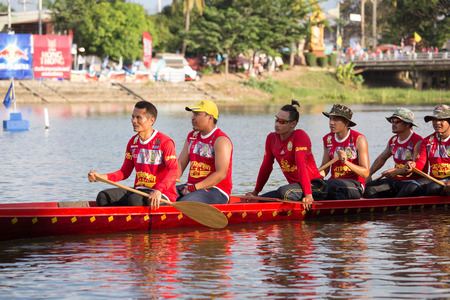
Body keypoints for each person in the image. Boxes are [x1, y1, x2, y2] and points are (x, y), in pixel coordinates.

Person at [88, 101, 178, 209]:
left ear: (151, 120)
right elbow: (124, 172)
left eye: (138, 117)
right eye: (133, 117)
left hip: (162, 194)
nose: (133, 121)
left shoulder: (165, 142)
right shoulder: (133, 143)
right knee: (103, 197)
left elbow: (174, 170)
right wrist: (100, 177)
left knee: (134, 200)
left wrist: (159, 190)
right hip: (139, 191)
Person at [246, 101, 327, 204]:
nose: (277, 124)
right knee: (261, 200)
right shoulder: (271, 138)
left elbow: (301, 165)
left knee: (284, 192)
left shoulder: (300, 136)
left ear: (293, 124)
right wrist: (255, 192)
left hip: (314, 187)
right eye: (276, 120)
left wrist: (308, 196)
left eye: (282, 122)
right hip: (294, 189)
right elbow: (266, 167)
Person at [177, 100, 233, 204]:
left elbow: (221, 174)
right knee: (163, 195)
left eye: (197, 114)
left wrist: (194, 188)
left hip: (216, 190)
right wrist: (164, 187)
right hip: (191, 187)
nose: (192, 117)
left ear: (210, 118)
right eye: (193, 114)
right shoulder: (191, 136)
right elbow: (180, 164)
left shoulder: (221, 140)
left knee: (184, 203)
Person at [364, 108, 423, 198]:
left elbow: (415, 168)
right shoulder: (393, 140)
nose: (393, 124)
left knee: (399, 196)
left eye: (397, 121)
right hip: (396, 181)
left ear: (407, 124)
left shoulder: (418, 141)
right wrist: (369, 174)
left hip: (412, 182)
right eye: (392, 121)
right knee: (369, 186)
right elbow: (382, 158)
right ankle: (378, 209)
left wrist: (396, 171)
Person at [320, 104, 370, 200]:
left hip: (355, 185)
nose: (331, 123)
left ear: (346, 123)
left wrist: (346, 162)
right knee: (317, 185)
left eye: (335, 119)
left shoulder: (359, 139)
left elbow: (366, 173)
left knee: (331, 185)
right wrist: (312, 178)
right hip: (334, 183)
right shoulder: (327, 139)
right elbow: (324, 170)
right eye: (330, 119)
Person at [403, 104, 450, 196]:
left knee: (432, 189)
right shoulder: (427, 141)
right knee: (411, 188)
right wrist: (412, 165)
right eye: (434, 120)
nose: (436, 123)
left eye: (441, 119)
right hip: (434, 178)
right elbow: (420, 164)